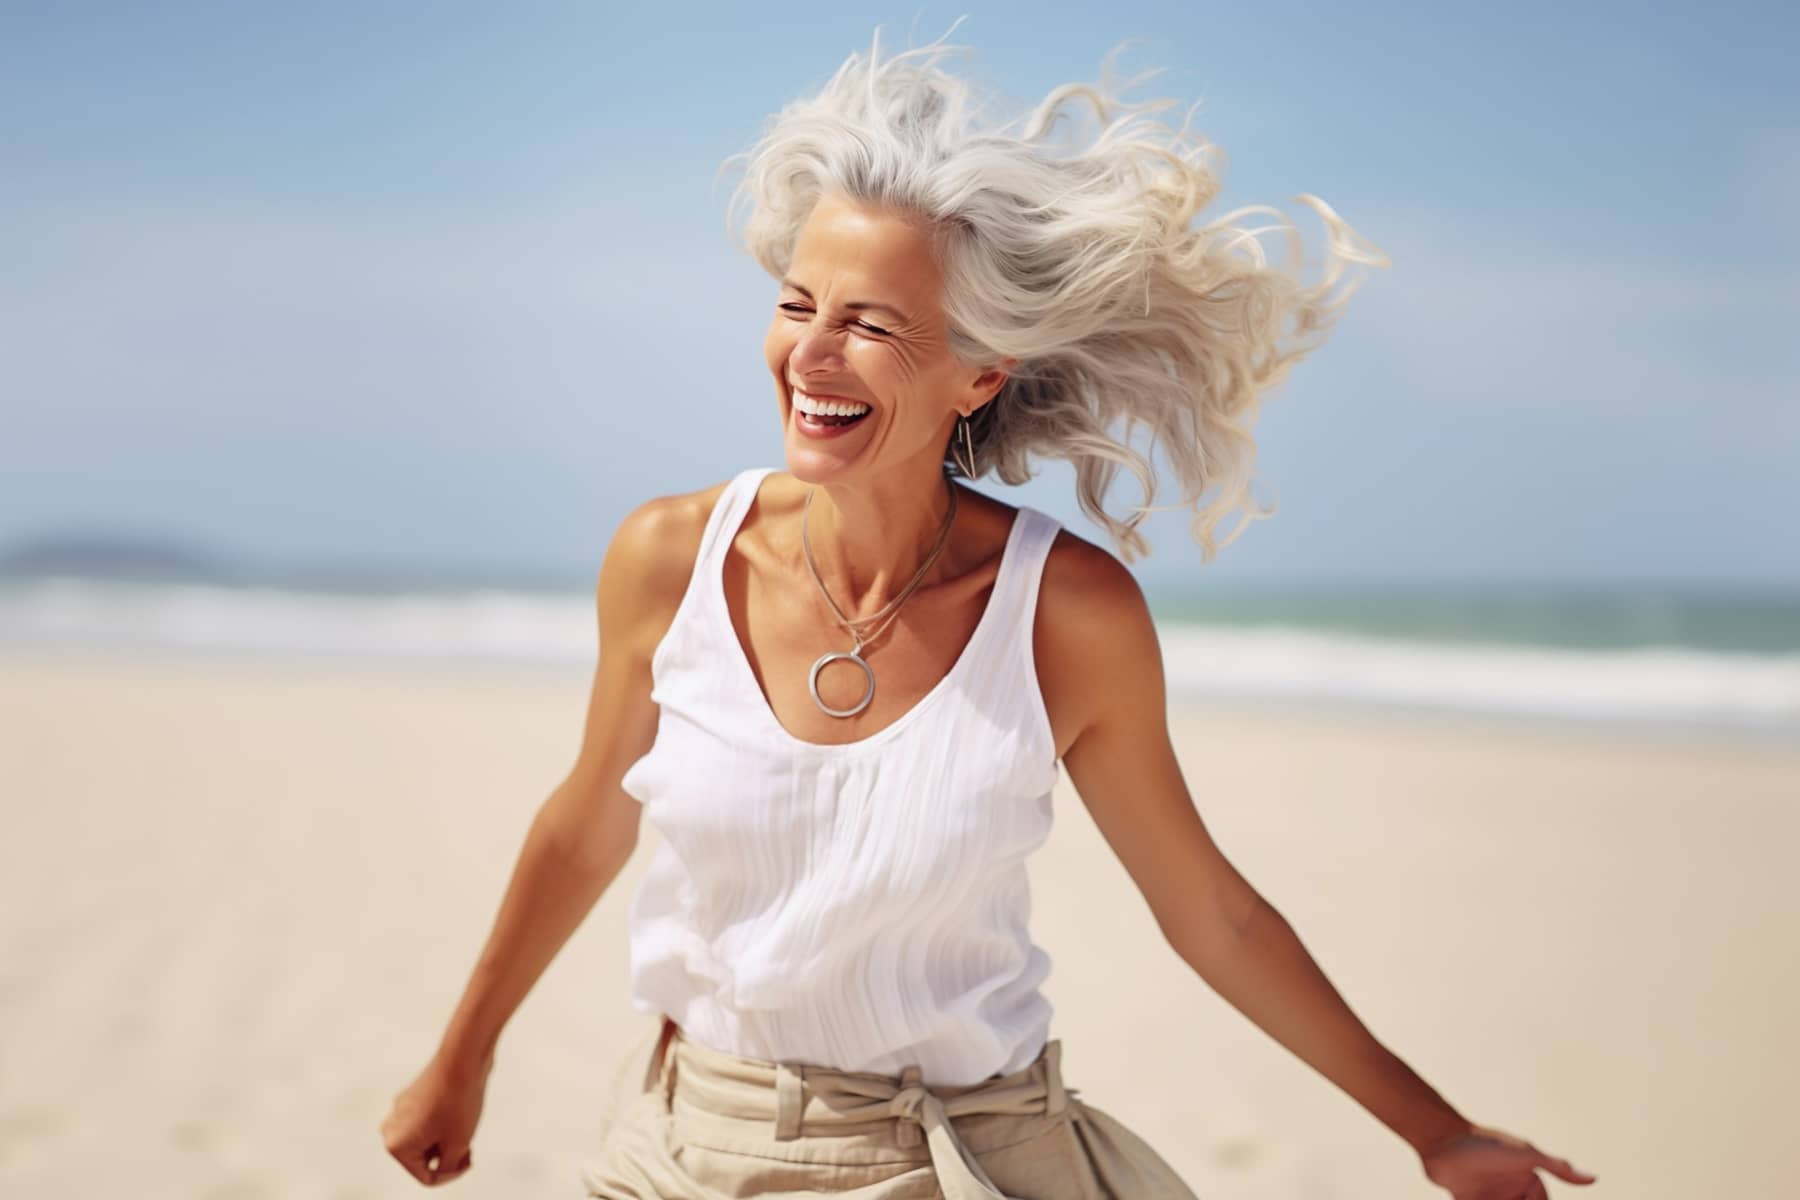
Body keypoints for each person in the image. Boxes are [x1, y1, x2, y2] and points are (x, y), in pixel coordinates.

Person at [380, 27, 1598, 1200]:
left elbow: (1211, 915)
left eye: (870, 324)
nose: (812, 353)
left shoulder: (1065, 614)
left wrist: (1436, 1133)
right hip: (683, 1142)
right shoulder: (668, 558)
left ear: (979, 370)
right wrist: (462, 1055)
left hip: (957, 1156)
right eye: (799, 303)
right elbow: (586, 826)